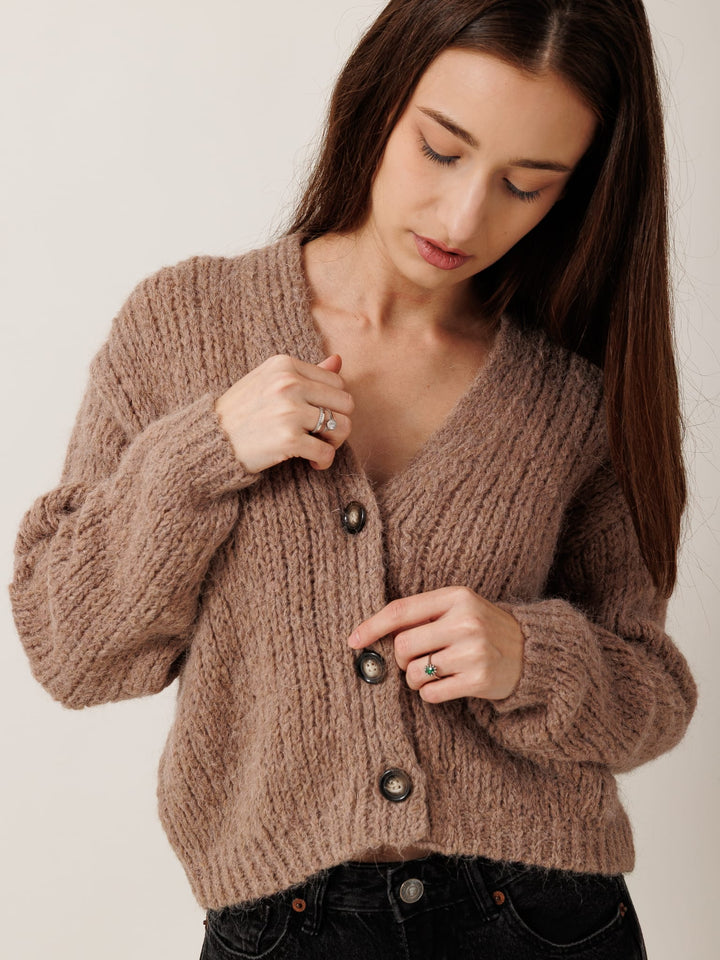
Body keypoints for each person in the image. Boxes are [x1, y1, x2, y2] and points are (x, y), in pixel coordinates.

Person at [8, 0, 698, 957]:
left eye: (527, 185)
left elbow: (651, 694)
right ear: (380, 98)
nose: (463, 217)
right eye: (442, 149)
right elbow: (72, 649)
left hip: (542, 920)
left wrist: (526, 657)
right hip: (284, 928)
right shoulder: (182, 324)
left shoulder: (573, 396)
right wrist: (207, 447)